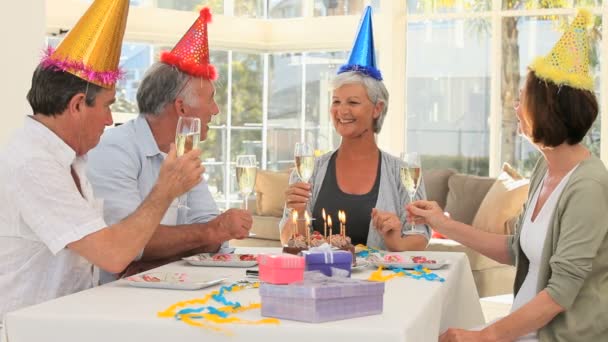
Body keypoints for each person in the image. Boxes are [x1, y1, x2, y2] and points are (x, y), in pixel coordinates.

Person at [407, 10, 608, 342]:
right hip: (524, 329)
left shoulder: (588, 186)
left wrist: (483, 336)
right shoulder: (545, 168)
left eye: (522, 99)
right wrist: (443, 224)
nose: (515, 107)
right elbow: (516, 249)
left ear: (545, 109)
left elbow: (559, 295)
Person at [0, 0, 204, 320]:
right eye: (108, 106)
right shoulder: (32, 164)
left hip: (66, 320)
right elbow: (112, 255)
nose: (110, 120)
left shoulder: (68, 159)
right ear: (78, 105)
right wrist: (166, 189)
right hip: (31, 329)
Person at [87, 8, 252, 281]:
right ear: (182, 108)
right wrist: (211, 231)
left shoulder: (183, 154)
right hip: (115, 301)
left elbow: (216, 240)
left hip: (167, 288)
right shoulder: (114, 150)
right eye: (210, 99)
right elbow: (129, 245)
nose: (215, 111)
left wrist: (198, 238)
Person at [279, 6, 429, 251]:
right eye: (336, 101)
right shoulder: (308, 171)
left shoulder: (403, 173)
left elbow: (420, 238)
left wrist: (394, 238)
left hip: (381, 284)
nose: (342, 111)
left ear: (377, 109)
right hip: (317, 284)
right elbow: (288, 240)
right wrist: (297, 211)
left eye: (353, 102)